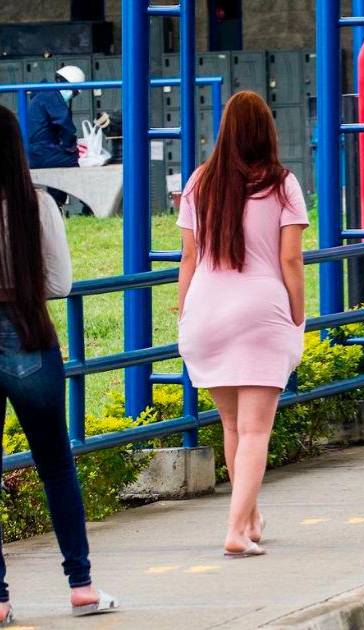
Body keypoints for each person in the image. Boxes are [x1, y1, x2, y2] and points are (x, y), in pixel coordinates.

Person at [176, 91, 308, 558]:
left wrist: (183, 309)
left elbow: (189, 258)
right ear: (266, 130)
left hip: (205, 311)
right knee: (255, 431)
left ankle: (249, 518)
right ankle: (235, 529)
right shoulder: (282, 184)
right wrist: (298, 312)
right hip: (260, 311)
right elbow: (290, 258)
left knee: (232, 427)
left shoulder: (198, 182)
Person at [0, 106, 118, 623]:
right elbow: (59, 284)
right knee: (56, 468)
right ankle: (82, 585)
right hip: (27, 335)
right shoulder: (37, 204)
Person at [26, 65, 84, 171]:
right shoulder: (52, 95)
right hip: (40, 152)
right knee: (74, 160)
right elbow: (65, 124)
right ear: (68, 85)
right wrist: (71, 146)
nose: (72, 96)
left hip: (33, 151)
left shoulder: (44, 93)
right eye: (74, 93)